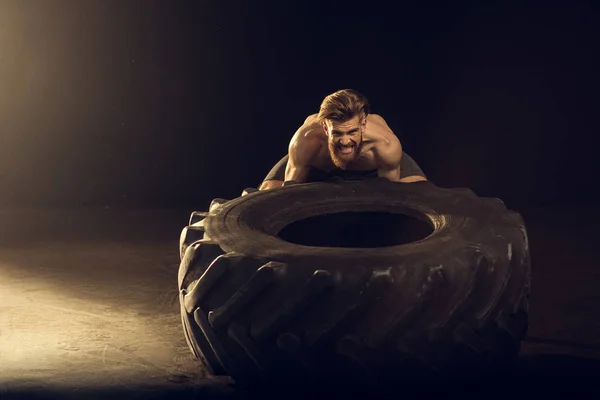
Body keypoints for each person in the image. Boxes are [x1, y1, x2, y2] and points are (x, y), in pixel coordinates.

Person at [258, 89, 428, 190]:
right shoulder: (305, 142)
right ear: (325, 128)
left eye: (352, 132)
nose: (345, 141)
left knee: (420, 192)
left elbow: (391, 202)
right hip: (318, 166)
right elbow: (287, 198)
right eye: (337, 133)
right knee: (265, 194)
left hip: (374, 167)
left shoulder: (384, 145)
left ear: (363, 125)